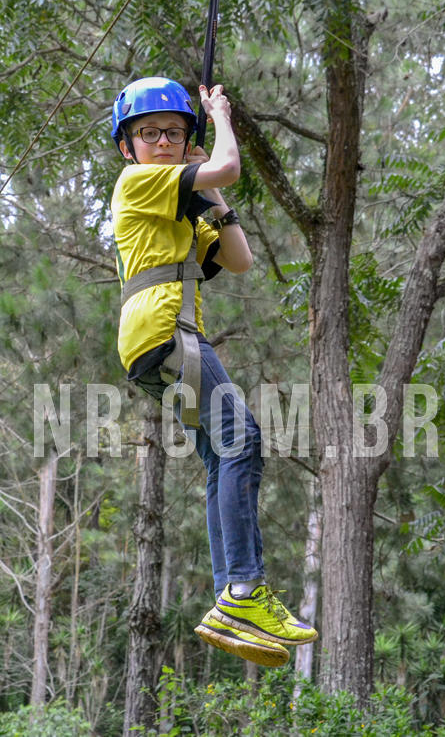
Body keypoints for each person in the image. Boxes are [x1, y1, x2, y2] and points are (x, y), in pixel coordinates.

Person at [110, 76, 317, 666]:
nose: (163, 143)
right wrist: (218, 115)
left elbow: (240, 258)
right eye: (149, 133)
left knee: (220, 454)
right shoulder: (138, 181)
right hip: (164, 330)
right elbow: (227, 167)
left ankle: (234, 594)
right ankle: (242, 591)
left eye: (175, 133)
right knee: (242, 439)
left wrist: (214, 197)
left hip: (158, 340)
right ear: (128, 146)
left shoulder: (176, 206)